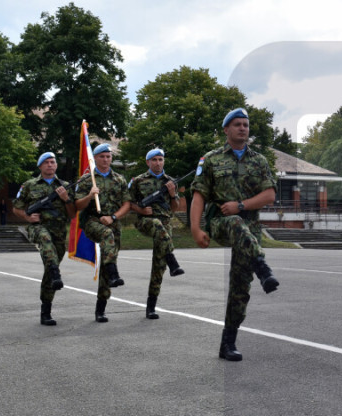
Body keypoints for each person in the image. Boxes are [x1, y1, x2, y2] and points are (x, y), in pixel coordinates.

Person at [190, 108, 280, 362]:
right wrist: (196, 228)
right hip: (221, 222)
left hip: (250, 229)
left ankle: (228, 342)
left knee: (240, 286)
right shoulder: (210, 160)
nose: (243, 128)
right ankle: (262, 267)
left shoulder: (259, 160)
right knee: (235, 222)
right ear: (226, 129)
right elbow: (198, 196)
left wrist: (240, 205)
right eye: (237, 124)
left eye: (246, 125)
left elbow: (269, 195)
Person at [12, 152, 76, 326]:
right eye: (46, 162)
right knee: (45, 240)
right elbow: (17, 208)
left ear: (56, 165)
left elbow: (72, 214)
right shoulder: (29, 185)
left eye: (52, 162)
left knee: (50, 270)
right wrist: (27, 217)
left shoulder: (65, 186)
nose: (50, 165)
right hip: (37, 228)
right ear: (40, 166)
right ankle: (55, 272)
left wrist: (66, 199)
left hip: (59, 233)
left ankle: (46, 311)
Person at [74, 143, 132, 323]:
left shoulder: (119, 179)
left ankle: (101, 309)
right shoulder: (87, 180)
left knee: (109, 259)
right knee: (107, 237)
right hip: (93, 221)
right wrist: (90, 196)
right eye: (102, 156)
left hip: (113, 223)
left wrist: (113, 217)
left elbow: (127, 204)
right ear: (95, 159)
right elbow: (78, 205)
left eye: (108, 156)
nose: (106, 160)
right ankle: (114, 272)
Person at [128, 148, 186, 319]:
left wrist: (172, 194)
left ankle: (151, 307)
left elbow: (175, 208)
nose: (158, 163)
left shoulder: (170, 182)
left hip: (165, 223)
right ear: (148, 162)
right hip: (146, 221)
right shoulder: (138, 180)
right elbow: (128, 202)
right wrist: (140, 209)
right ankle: (172, 260)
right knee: (155, 223)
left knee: (159, 266)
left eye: (160, 159)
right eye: (154, 160)